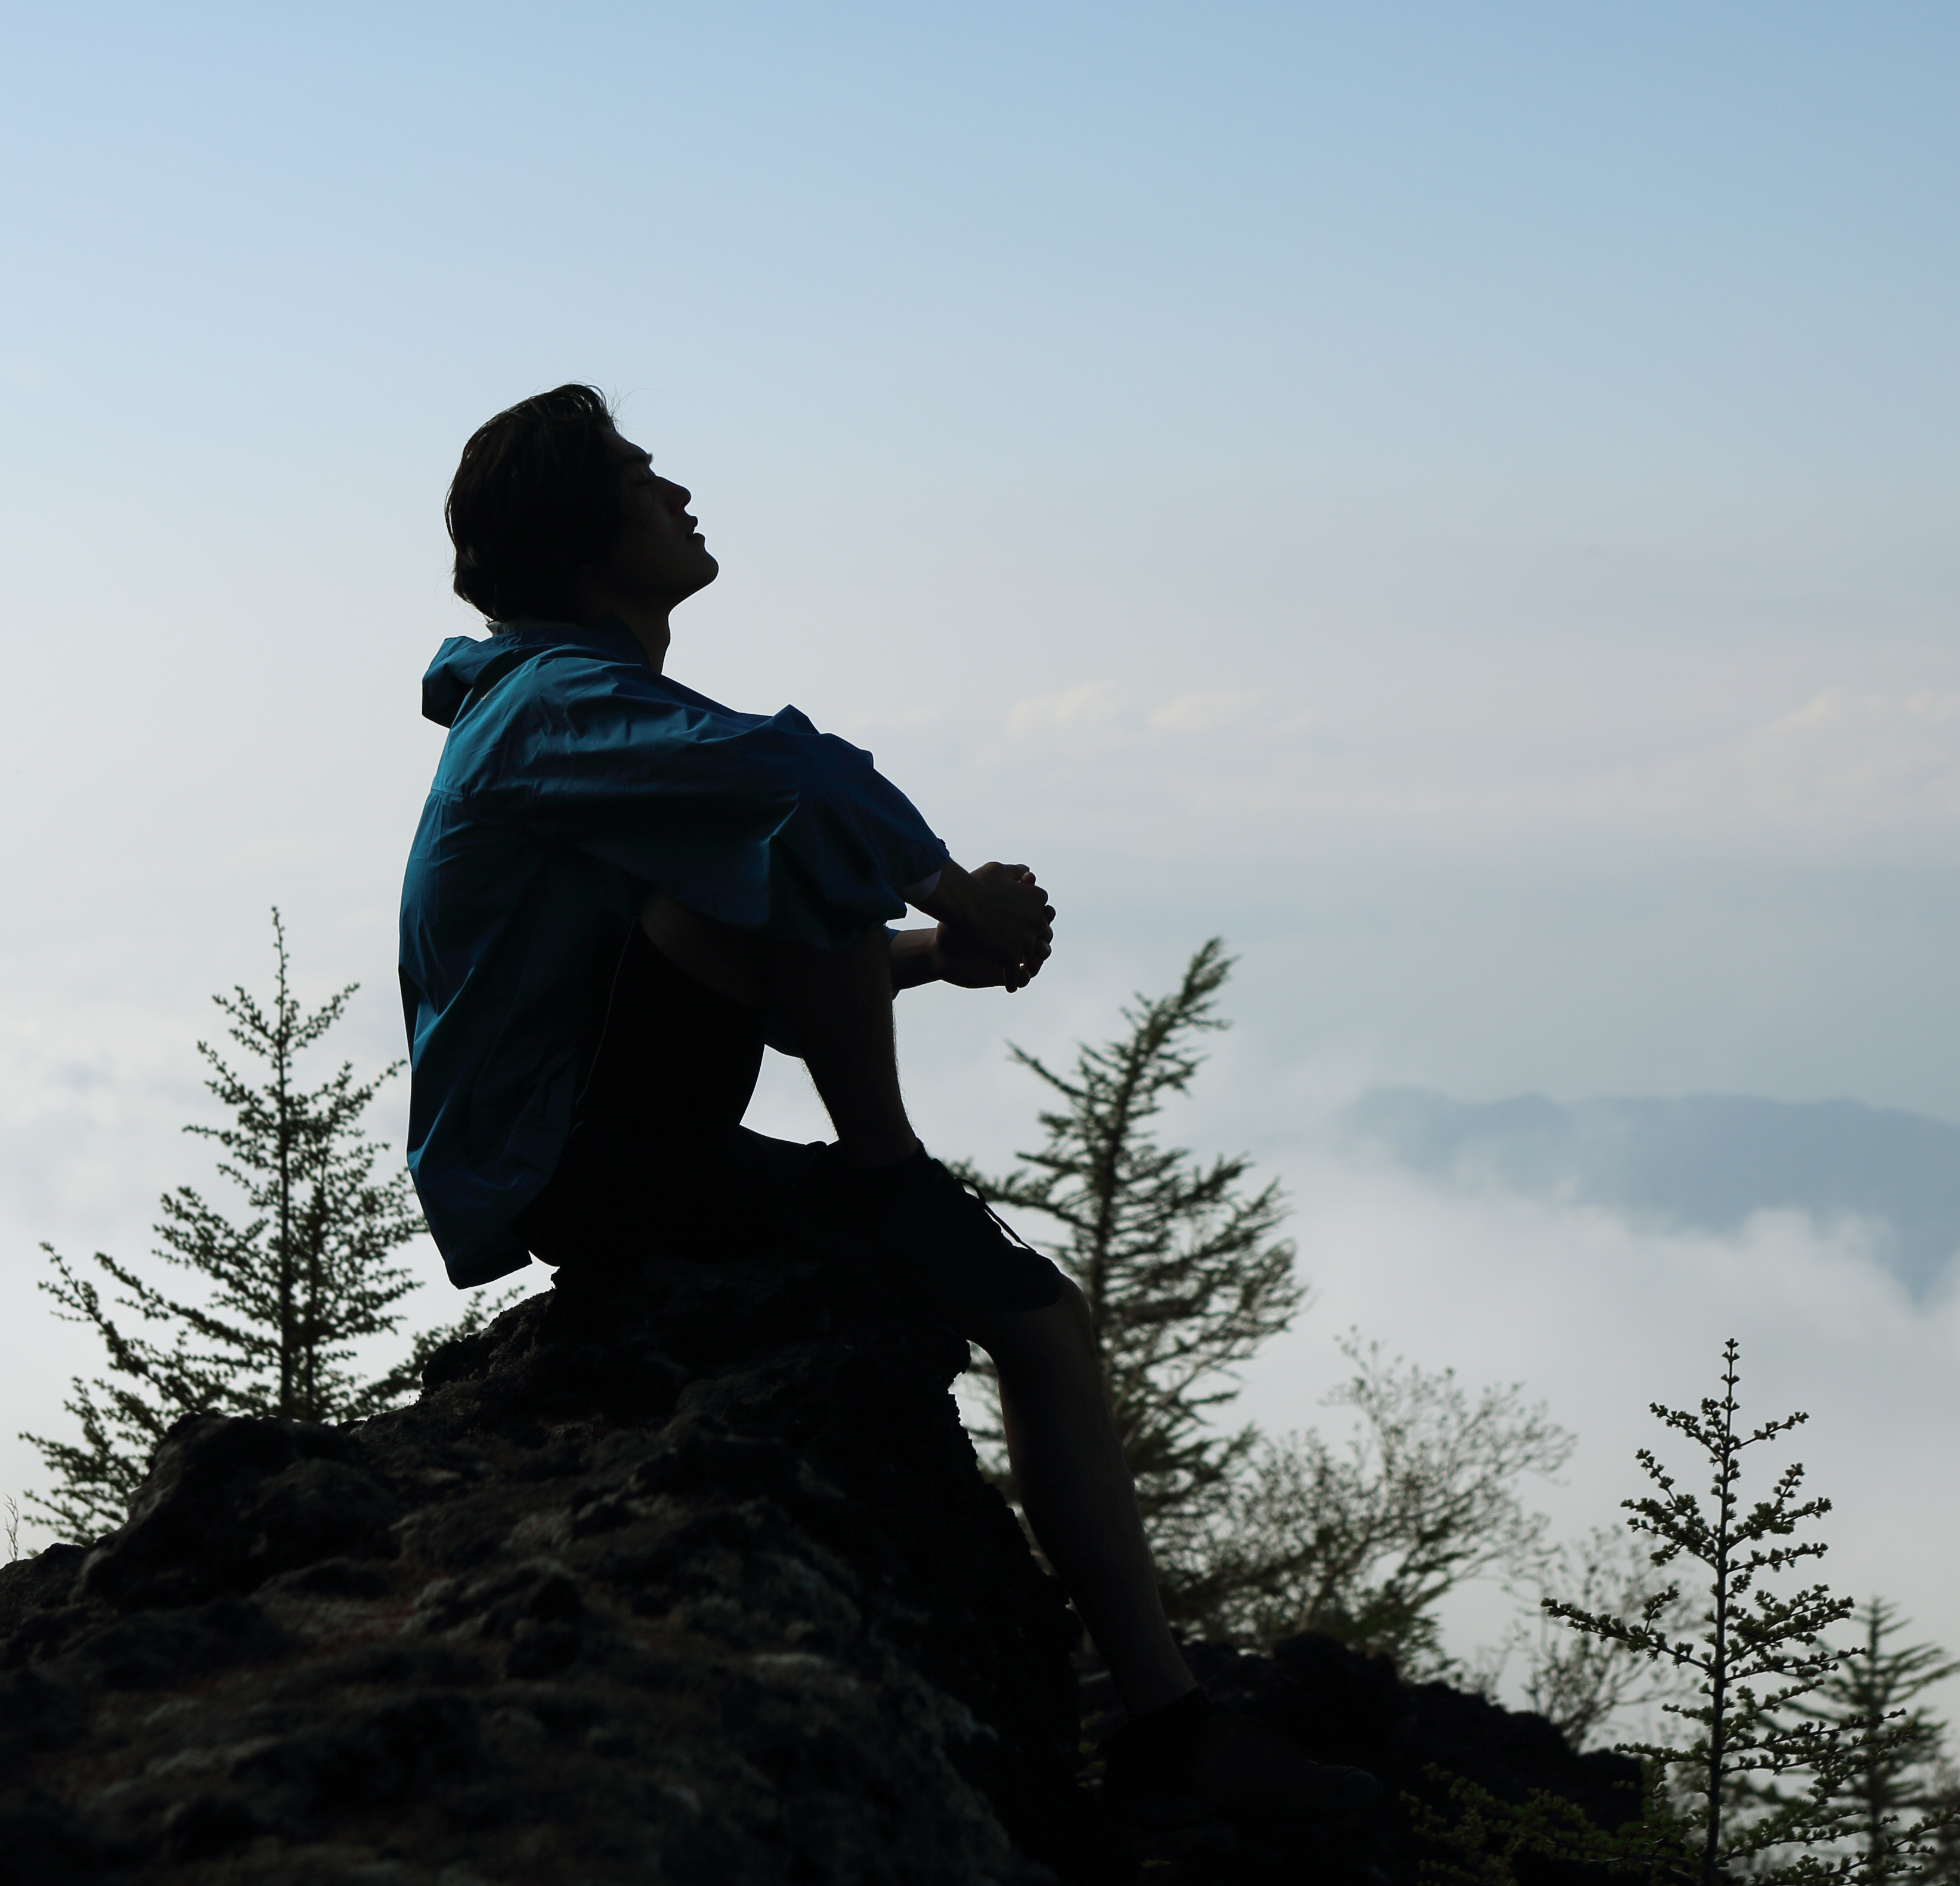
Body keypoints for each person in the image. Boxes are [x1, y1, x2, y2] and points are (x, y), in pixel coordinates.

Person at [397, 383, 1373, 1821]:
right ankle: (1164, 1720)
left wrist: (925, 956)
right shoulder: (553, 705)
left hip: (588, 1133)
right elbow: (797, 782)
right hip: (577, 1155)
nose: (683, 494)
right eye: (648, 478)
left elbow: (693, 945)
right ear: (589, 536)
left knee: (782, 838)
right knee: (1035, 1318)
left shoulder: (555, 708)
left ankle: (1162, 1714)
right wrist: (956, 891)